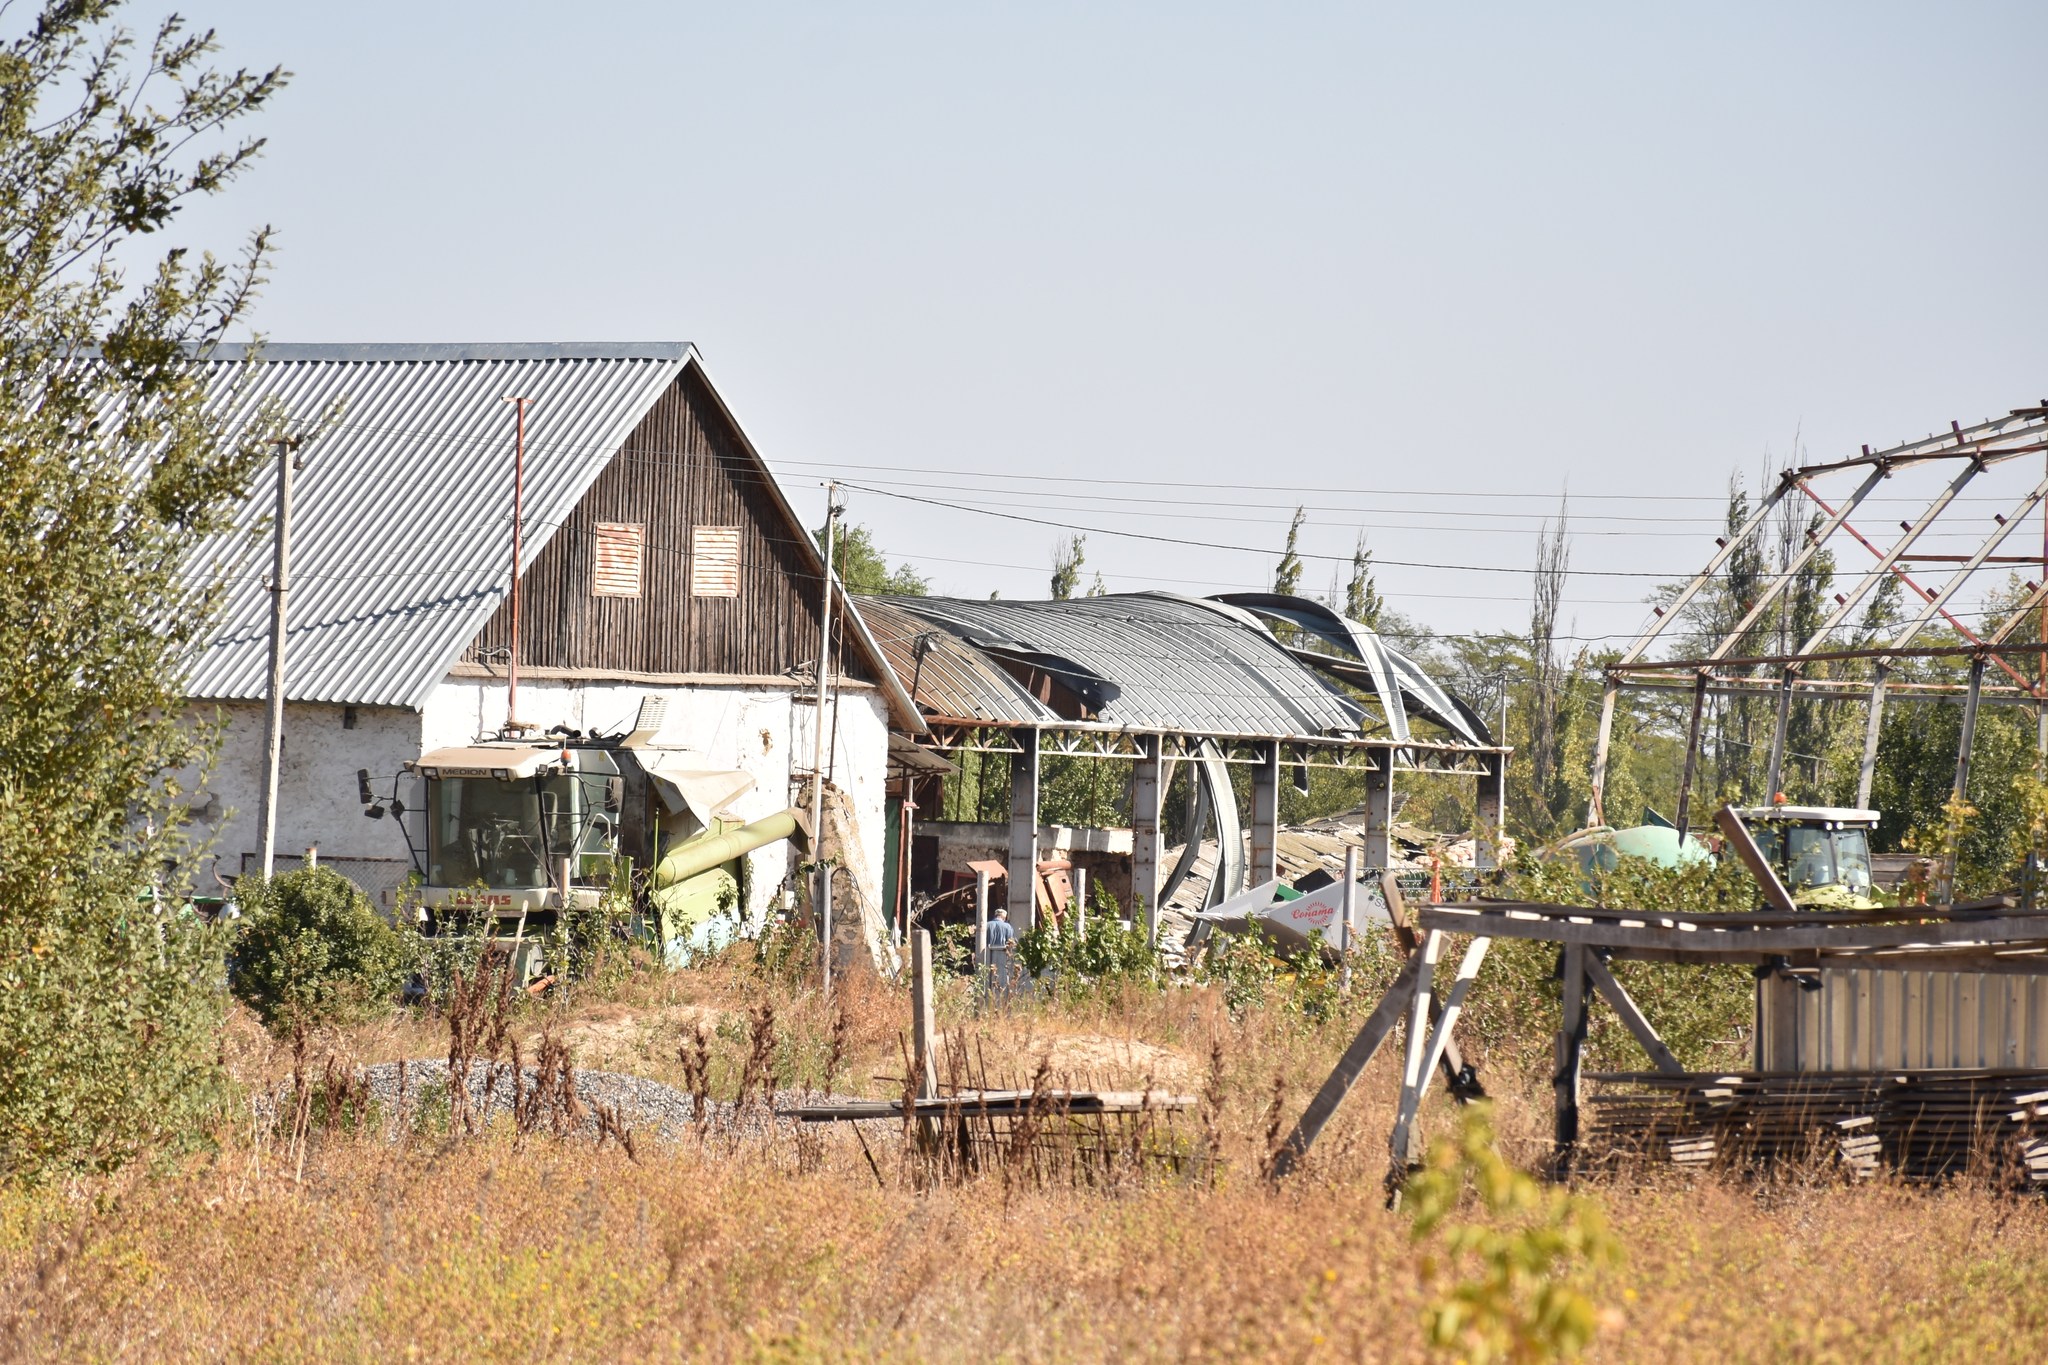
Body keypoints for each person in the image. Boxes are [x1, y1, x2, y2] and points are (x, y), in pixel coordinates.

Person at [982, 906, 1018, 995]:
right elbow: (1012, 942)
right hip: (1003, 957)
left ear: (995, 915)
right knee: (1002, 981)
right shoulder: (1008, 927)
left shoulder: (987, 925)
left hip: (987, 957)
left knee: (986, 980)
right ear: (1004, 917)